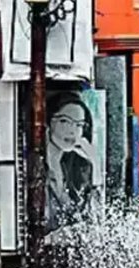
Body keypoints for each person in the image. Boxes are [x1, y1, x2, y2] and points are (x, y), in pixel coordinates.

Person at [46, 91, 99, 233]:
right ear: (49, 122)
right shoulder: (33, 164)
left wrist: (96, 166)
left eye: (79, 125)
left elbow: (91, 222)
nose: (72, 131)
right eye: (64, 121)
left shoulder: (79, 166)